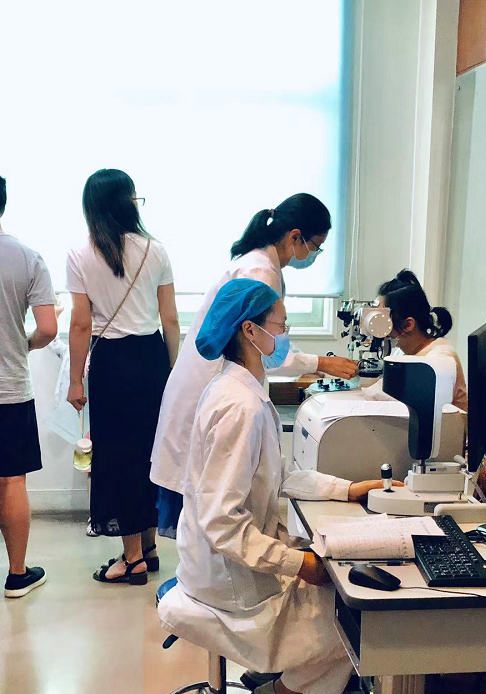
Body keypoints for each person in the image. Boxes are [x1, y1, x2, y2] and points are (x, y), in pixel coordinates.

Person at [158, 278, 400, 694]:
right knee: (358, 616)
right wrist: (299, 564)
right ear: (250, 331)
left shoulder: (238, 388)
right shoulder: (240, 407)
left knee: (336, 584)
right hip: (228, 579)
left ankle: (284, 681)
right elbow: (224, 524)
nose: (286, 336)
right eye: (282, 326)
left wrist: (346, 489)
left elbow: (275, 475)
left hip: (219, 558)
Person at [150, 193, 358, 538]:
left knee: (209, 508)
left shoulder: (258, 263)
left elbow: (266, 340)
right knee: (213, 510)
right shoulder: (259, 271)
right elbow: (265, 345)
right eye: (315, 247)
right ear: (295, 236)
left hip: (209, 383)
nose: (314, 255)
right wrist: (322, 363)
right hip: (209, 387)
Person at [67, 169, 180, 584]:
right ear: (127, 202)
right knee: (149, 453)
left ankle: (132, 559)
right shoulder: (155, 250)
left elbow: (81, 324)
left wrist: (75, 381)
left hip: (111, 363)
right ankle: (147, 547)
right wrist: (173, 374)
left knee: (117, 457)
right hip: (151, 359)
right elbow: (170, 319)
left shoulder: (81, 254)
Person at [0, 175, 58, 598]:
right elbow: (49, 328)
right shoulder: (26, 257)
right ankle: (17, 574)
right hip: (8, 387)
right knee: (11, 480)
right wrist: (24, 343)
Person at [363, 269, 468, 411]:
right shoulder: (403, 351)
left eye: (383, 319)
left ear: (408, 325)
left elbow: (407, 400)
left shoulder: (439, 359)